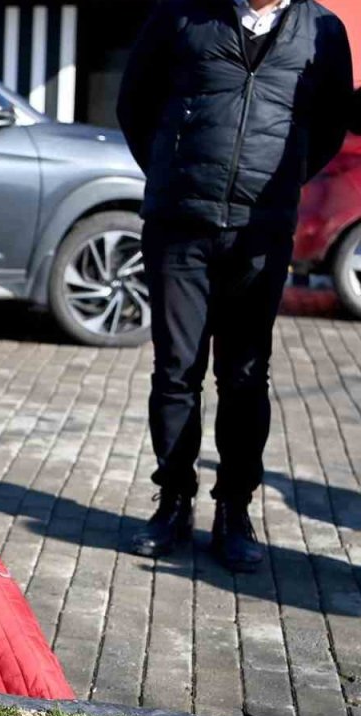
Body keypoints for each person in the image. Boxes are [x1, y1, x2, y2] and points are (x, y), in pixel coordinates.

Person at [117, 0, 352, 571]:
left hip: (260, 234)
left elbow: (328, 126)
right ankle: (173, 501)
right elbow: (134, 105)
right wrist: (175, 174)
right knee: (176, 372)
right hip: (180, 226)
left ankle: (234, 510)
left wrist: (279, 182)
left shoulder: (324, 31)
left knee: (246, 377)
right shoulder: (180, 14)